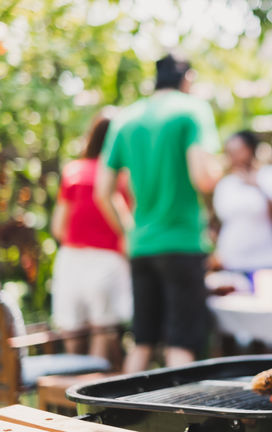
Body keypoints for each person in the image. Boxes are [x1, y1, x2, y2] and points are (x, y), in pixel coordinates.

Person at [95, 54, 223, 373]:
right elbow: (202, 178)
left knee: (142, 342)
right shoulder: (192, 110)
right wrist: (218, 169)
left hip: (142, 245)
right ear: (187, 78)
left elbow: (103, 191)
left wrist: (127, 231)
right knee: (181, 342)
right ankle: (177, 421)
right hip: (182, 243)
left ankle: (118, 420)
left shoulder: (127, 117)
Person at [50, 106, 132, 362]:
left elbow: (57, 227)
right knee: (104, 329)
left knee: (72, 330)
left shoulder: (73, 172)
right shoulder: (124, 176)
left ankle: (67, 397)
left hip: (71, 260)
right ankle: (92, 398)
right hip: (108, 262)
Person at [212, 131, 272, 276]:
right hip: (232, 263)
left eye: (238, 150)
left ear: (251, 149)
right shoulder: (225, 185)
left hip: (267, 263)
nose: (233, 156)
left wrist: (259, 187)